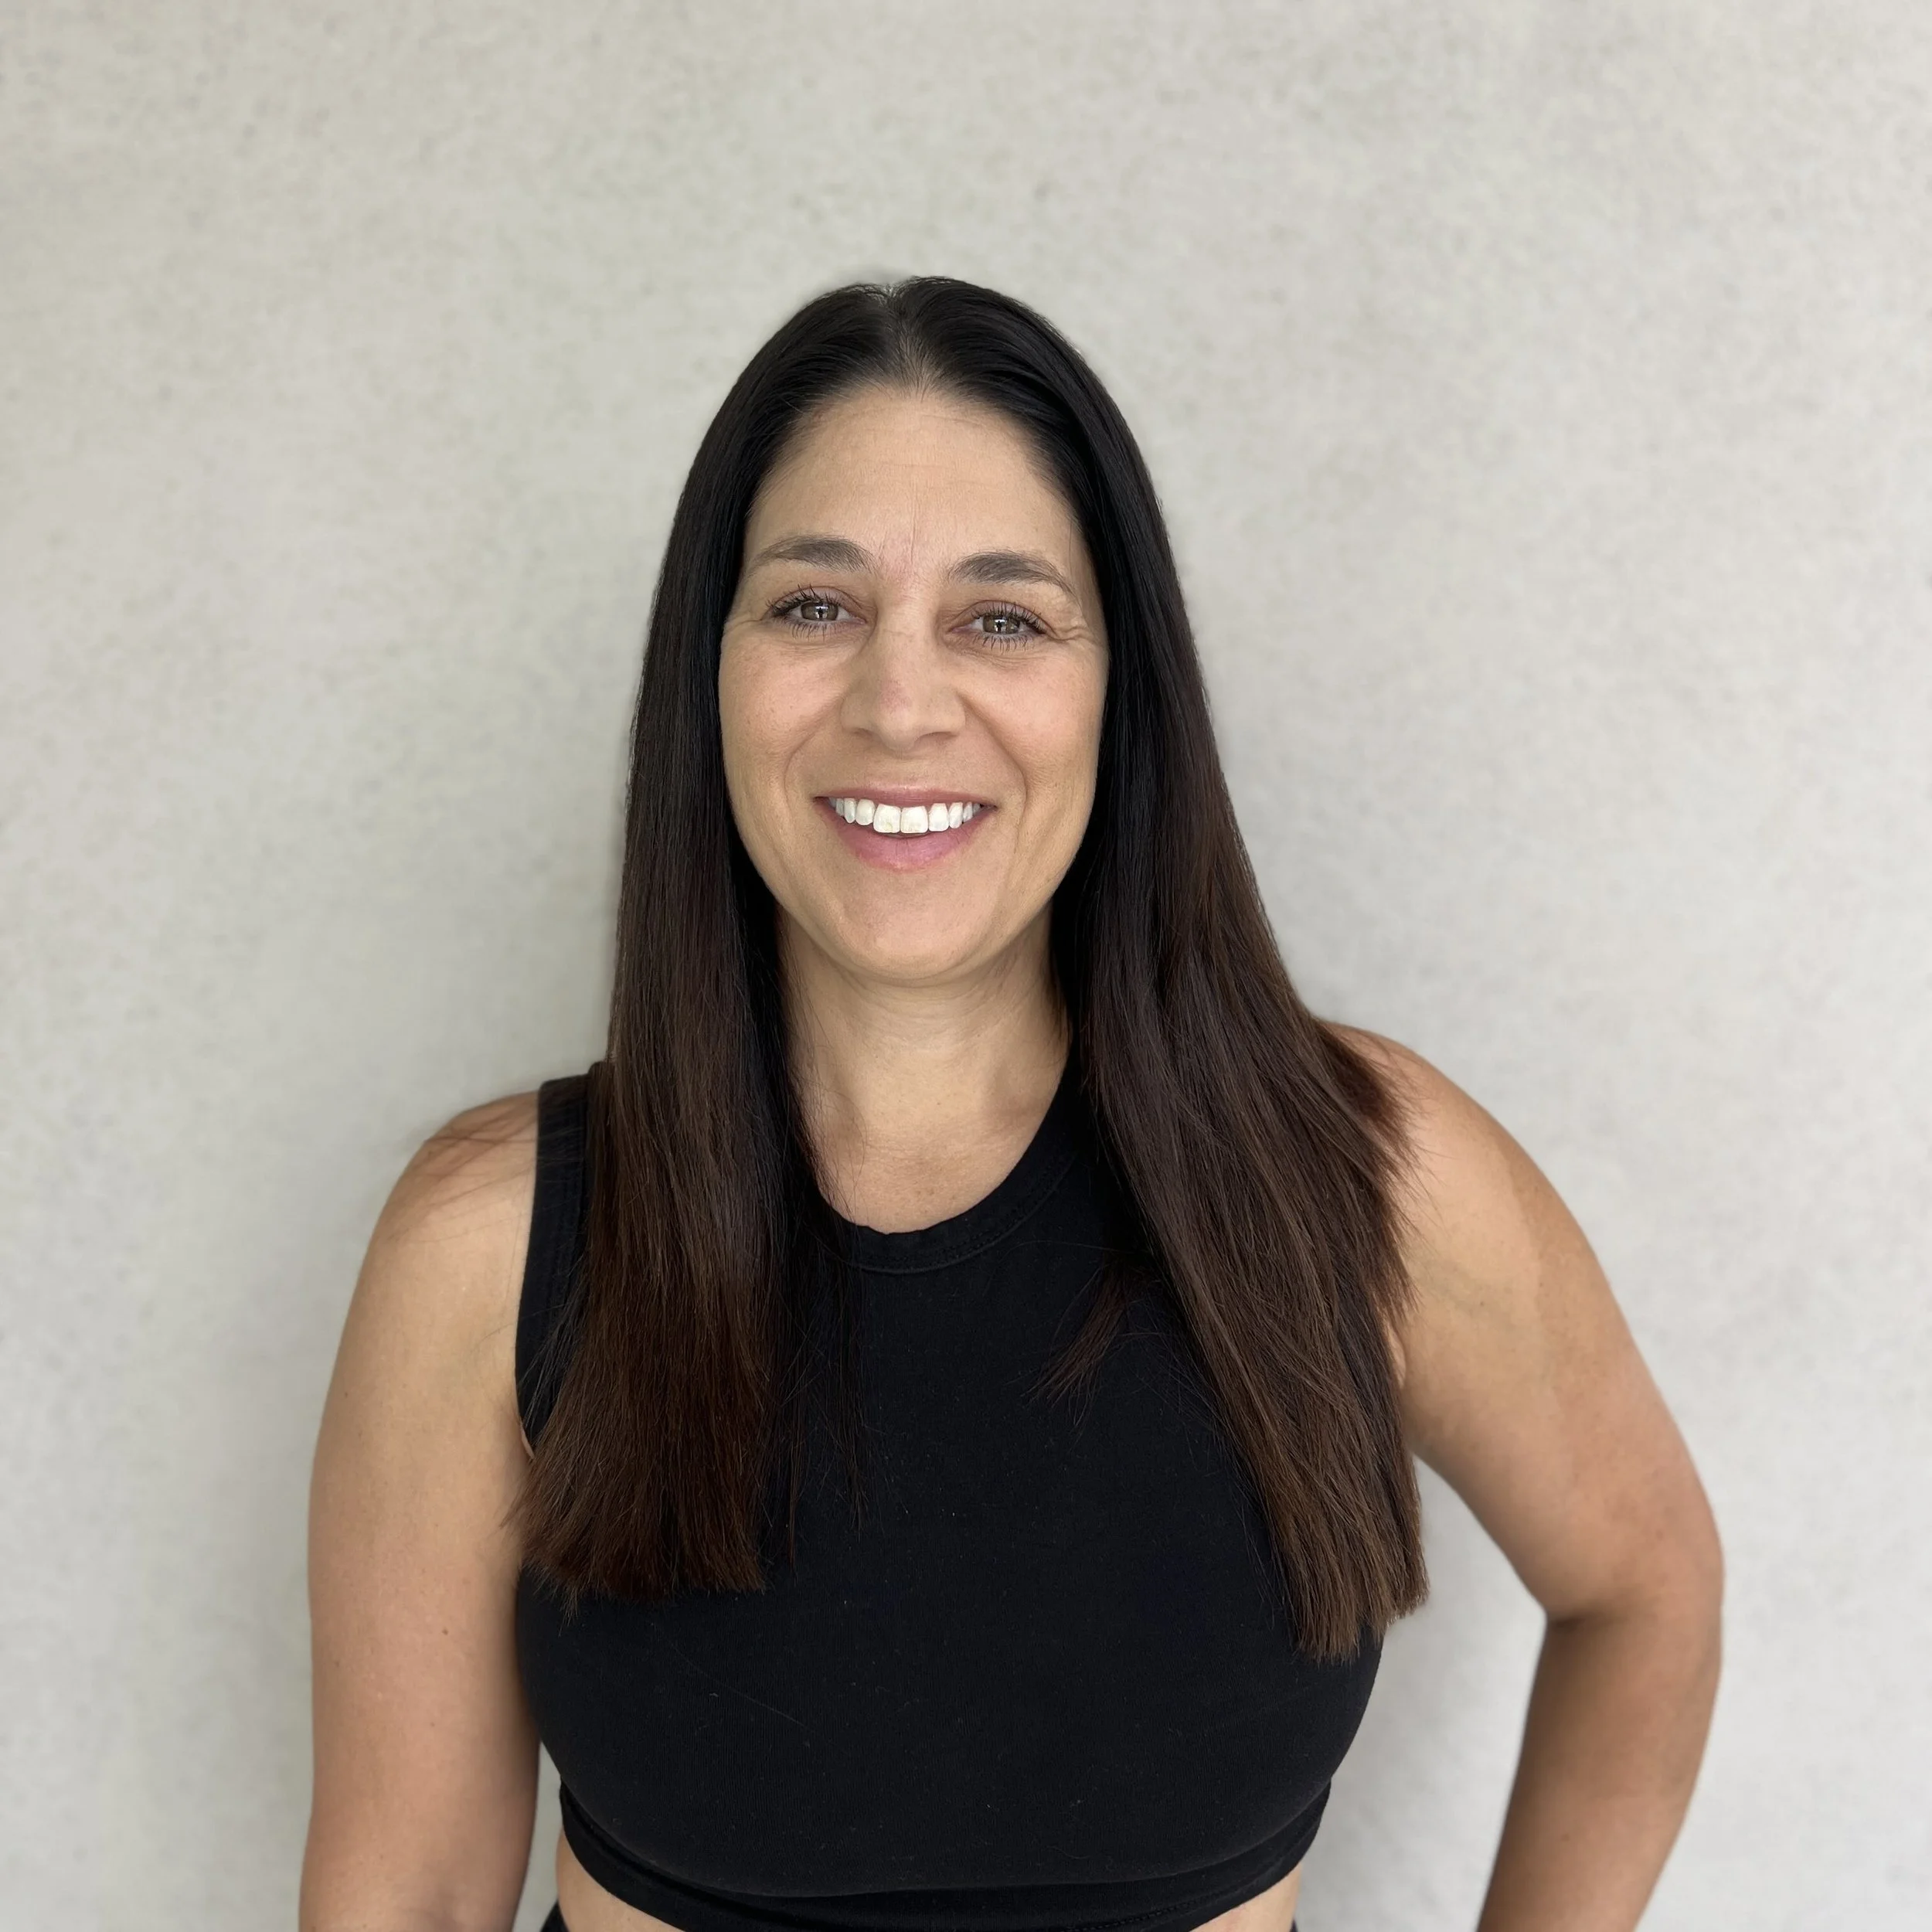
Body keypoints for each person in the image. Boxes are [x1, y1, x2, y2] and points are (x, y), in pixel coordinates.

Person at [300, 279, 1723, 1932]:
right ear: (711, 673)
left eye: (1001, 616)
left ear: (1120, 692)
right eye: (813, 605)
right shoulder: (492, 1241)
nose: (899, 703)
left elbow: (1643, 1587)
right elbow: (408, 1886)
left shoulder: (1370, 1180)